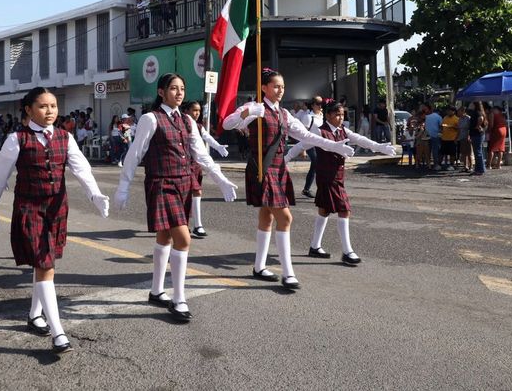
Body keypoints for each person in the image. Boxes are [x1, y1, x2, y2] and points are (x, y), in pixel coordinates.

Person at [0, 87, 110, 353]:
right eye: (43, 106)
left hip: (56, 208)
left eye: (53, 106)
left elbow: (81, 167)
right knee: (45, 264)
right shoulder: (16, 139)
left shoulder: (65, 136)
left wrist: (95, 194)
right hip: (30, 208)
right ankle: (58, 332)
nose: (50, 111)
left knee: (44, 264)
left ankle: (33, 316)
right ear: (28, 109)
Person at [114, 73, 237, 322]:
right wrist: (123, 186)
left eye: (182, 88)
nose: (179, 93)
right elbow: (134, 153)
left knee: (165, 235)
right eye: (173, 88)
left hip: (183, 183)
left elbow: (201, 155)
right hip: (161, 183)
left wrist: (221, 178)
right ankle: (178, 298)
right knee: (183, 238)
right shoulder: (151, 119)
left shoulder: (188, 121)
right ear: (161, 92)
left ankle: (156, 290)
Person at [223, 68, 355, 290]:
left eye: (282, 87)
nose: (280, 90)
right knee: (285, 219)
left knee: (267, 217)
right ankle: (288, 273)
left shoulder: (285, 114)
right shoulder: (254, 108)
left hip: (278, 169)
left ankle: (258, 266)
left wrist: (333, 145)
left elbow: (306, 135)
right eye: (276, 86)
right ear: (264, 88)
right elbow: (227, 124)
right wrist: (247, 113)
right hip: (262, 170)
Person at [287, 100, 395, 264]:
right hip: (326, 177)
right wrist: (285, 159)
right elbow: (302, 145)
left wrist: (379, 147)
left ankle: (315, 247)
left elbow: (359, 139)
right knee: (344, 210)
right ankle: (347, 251)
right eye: (337, 114)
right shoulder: (319, 130)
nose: (340, 117)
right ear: (328, 115)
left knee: (324, 210)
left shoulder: (342, 129)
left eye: (342, 114)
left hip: (337, 176)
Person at [182, 101, 229, 239]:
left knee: (195, 193)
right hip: (184, 164)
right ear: (187, 110)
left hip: (196, 165)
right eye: (194, 110)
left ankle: (195, 225)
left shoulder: (198, 126)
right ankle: (190, 225)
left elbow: (207, 137)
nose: (197, 113)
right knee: (190, 193)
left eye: (198, 111)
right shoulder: (182, 123)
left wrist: (218, 146)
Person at [298, 96, 324, 199]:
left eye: (321, 103)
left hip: (320, 145)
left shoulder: (322, 116)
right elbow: (303, 134)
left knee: (314, 167)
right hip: (309, 144)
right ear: (313, 105)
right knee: (316, 163)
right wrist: (302, 149)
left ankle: (307, 189)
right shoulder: (308, 117)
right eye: (318, 103)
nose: (320, 106)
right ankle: (319, 189)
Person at [467, 102, 487, 175]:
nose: (470, 104)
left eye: (471, 103)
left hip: (476, 134)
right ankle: (479, 169)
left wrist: (478, 125)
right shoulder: (479, 112)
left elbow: (480, 118)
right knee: (479, 151)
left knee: (478, 152)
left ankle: (480, 170)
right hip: (478, 134)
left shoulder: (477, 112)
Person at [423, 104, 443, 170]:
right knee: (427, 151)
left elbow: (441, 126)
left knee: (435, 151)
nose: (424, 110)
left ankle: (436, 164)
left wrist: (439, 133)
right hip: (426, 137)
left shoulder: (437, 117)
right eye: (424, 109)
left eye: (426, 109)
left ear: (430, 109)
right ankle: (428, 164)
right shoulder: (423, 117)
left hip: (435, 136)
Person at [439, 106, 459, 170]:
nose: (448, 112)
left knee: (452, 153)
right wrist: (441, 128)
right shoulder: (445, 117)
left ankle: (451, 165)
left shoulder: (456, 119)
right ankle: (439, 165)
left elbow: (459, 129)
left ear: (453, 111)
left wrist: (453, 127)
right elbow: (442, 125)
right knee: (442, 152)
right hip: (444, 138)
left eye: (449, 110)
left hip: (452, 139)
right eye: (447, 110)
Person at [457, 106, 474, 172]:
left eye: (459, 111)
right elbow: (459, 129)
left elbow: (470, 128)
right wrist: (456, 137)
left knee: (469, 152)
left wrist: (469, 136)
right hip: (462, 137)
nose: (458, 113)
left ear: (463, 111)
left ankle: (471, 166)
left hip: (467, 137)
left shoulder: (468, 118)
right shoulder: (460, 119)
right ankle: (465, 166)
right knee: (463, 153)